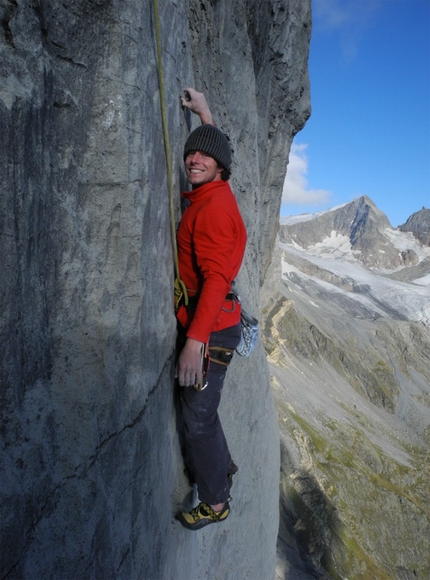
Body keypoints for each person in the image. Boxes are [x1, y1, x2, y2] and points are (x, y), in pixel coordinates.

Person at [175, 88, 247, 530]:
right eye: (191, 153)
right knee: (205, 409)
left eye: (204, 156)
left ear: (219, 168)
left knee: (196, 420)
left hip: (212, 331)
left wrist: (194, 342)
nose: (195, 159)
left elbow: (217, 280)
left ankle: (216, 503)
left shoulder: (214, 209)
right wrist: (205, 116)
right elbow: (213, 149)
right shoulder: (216, 191)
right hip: (218, 325)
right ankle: (222, 468)